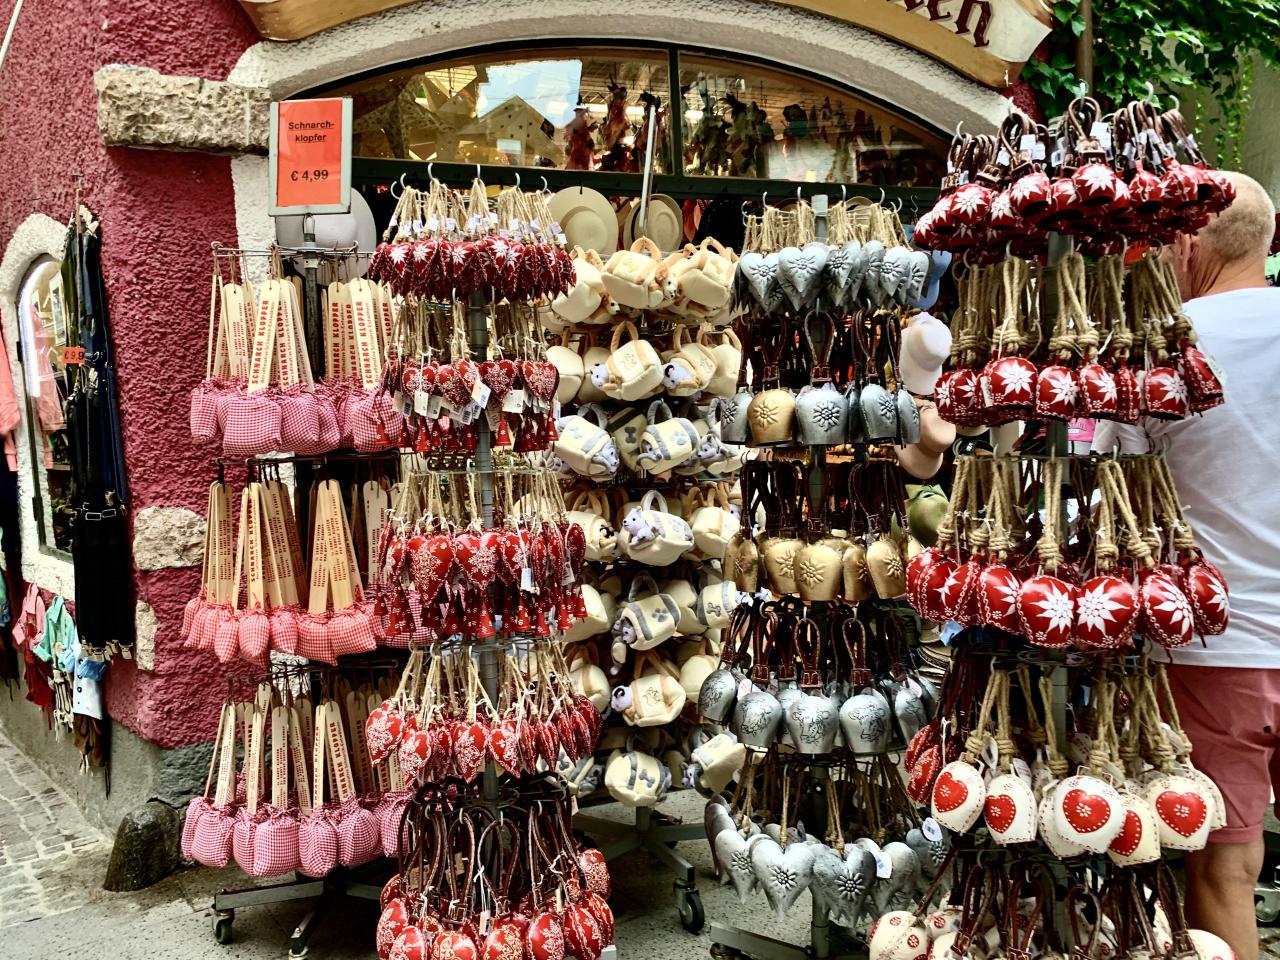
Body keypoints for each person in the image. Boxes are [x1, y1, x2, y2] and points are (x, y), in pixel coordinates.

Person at [1093, 171, 1280, 960]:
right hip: (1225, 642)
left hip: (1216, 645)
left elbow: (1108, 489)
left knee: (1224, 867)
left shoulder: (1159, 351)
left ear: (1190, 243)